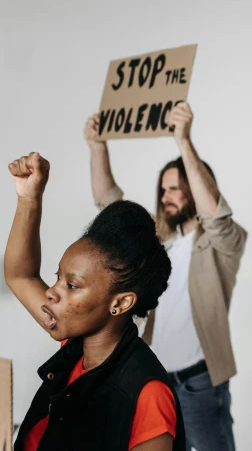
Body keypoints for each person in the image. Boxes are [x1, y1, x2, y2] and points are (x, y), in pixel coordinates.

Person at [83, 102, 247, 451]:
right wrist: (98, 147)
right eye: (164, 189)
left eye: (175, 188)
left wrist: (183, 141)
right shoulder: (160, 242)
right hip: (153, 380)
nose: (165, 196)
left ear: (196, 187)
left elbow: (216, 215)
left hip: (198, 382)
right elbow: (109, 205)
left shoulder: (223, 244)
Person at [5, 152, 186, 451]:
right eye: (58, 276)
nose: (52, 291)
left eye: (72, 285)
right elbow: (20, 275)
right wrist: (28, 199)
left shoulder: (147, 393)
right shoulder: (75, 347)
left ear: (121, 302)